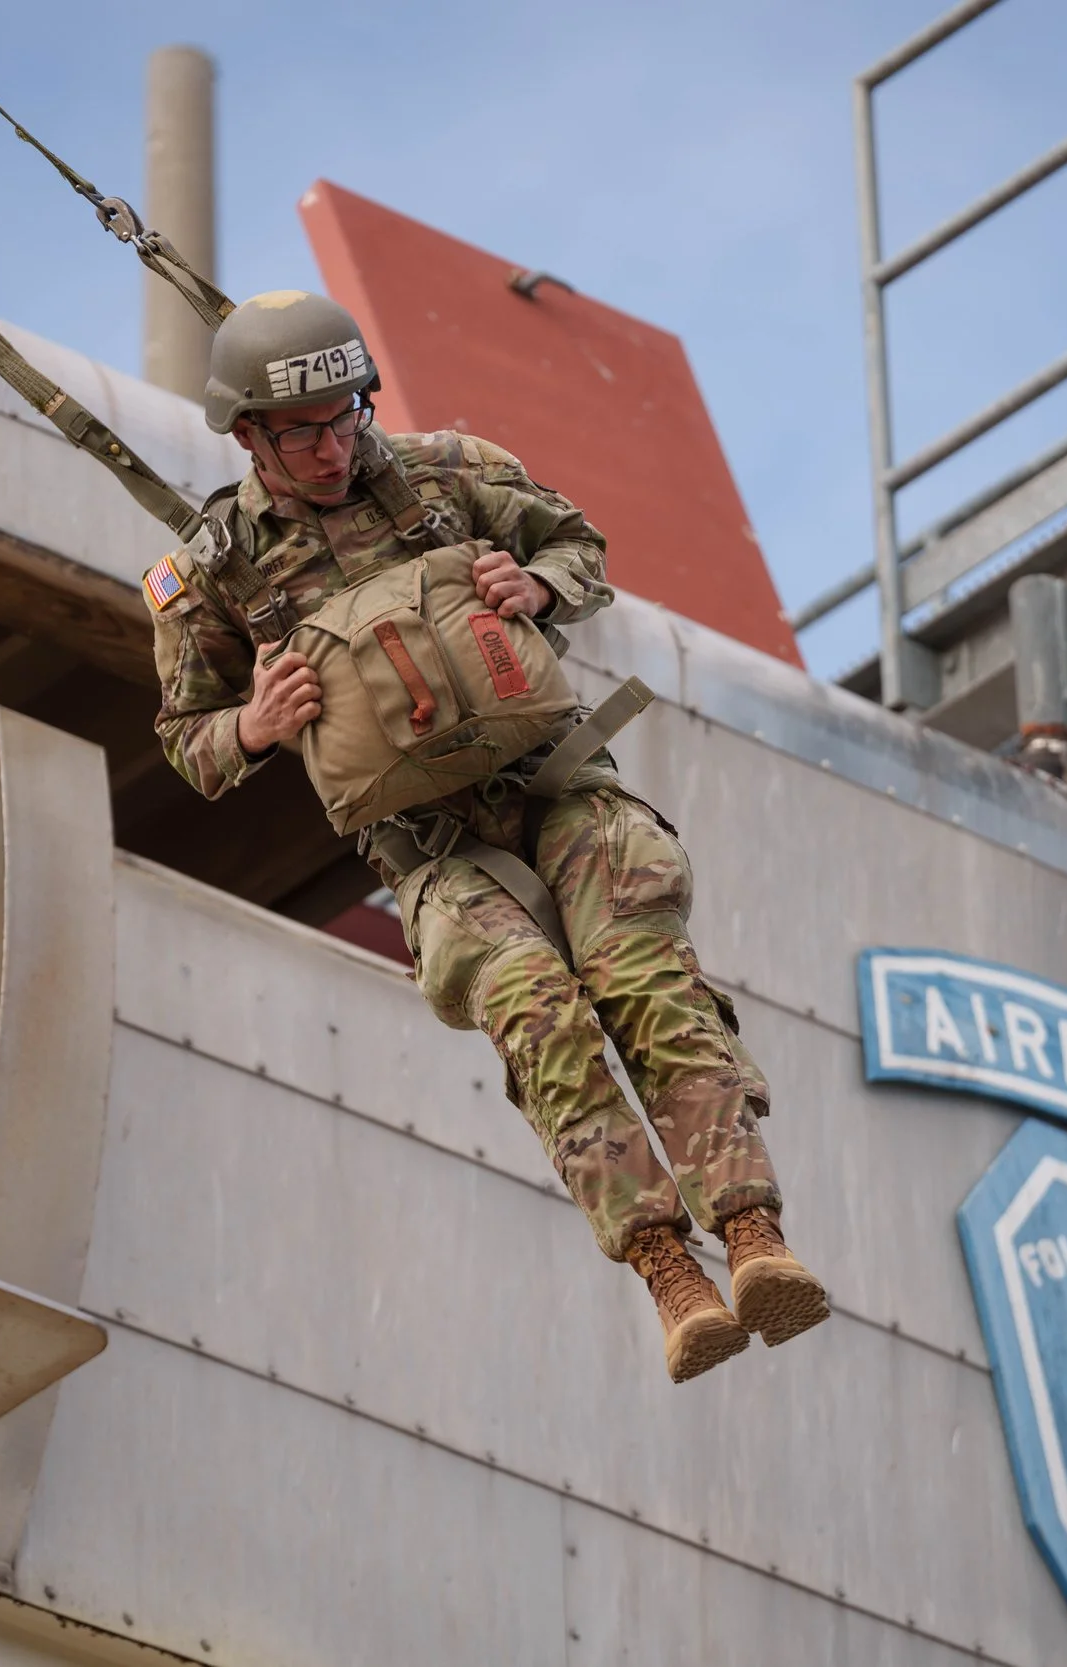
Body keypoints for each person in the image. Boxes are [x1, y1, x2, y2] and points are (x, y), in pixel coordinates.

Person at [146, 291, 826, 1383]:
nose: (330, 446)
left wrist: (538, 583)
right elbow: (186, 738)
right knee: (535, 1008)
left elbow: (581, 549)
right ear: (246, 436)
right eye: (301, 431)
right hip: (429, 849)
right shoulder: (211, 575)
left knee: (645, 978)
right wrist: (253, 724)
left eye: (343, 415)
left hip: (560, 786)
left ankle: (752, 1234)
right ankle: (667, 1272)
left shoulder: (448, 472)